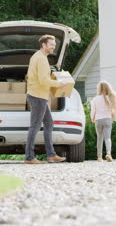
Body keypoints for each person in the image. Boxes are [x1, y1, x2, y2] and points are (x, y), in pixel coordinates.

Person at [25, 35, 68, 164]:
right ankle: (29, 157)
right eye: (51, 44)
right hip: (38, 96)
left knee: (48, 123)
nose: (53, 47)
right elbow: (43, 81)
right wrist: (59, 84)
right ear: (43, 44)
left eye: (54, 45)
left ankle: (51, 155)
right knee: (35, 126)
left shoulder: (37, 56)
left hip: (40, 96)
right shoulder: (41, 59)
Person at [90, 81, 116, 162]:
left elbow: (93, 110)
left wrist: (92, 118)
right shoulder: (111, 98)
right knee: (107, 138)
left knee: (99, 138)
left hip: (98, 120)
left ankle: (99, 157)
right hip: (107, 119)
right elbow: (113, 110)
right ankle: (109, 153)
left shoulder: (95, 99)